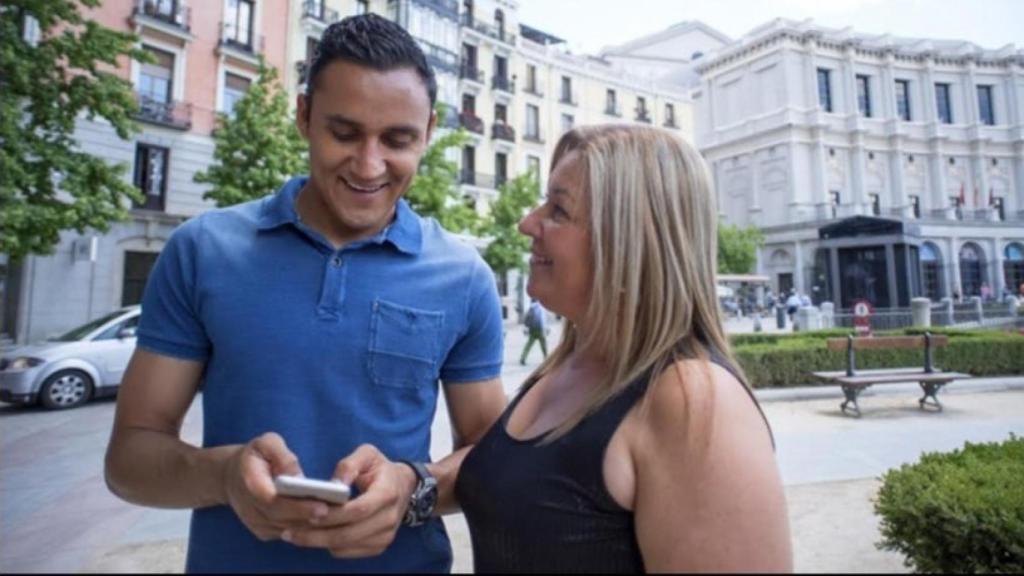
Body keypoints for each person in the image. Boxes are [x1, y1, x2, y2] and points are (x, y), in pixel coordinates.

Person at [104, 14, 507, 573]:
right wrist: (225, 475)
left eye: (397, 140)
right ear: (303, 116)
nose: (369, 165)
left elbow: (493, 464)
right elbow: (129, 459)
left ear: (429, 132)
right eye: (344, 133)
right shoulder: (202, 251)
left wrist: (413, 489)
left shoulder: (464, 277)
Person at [455, 126, 792, 572]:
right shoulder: (572, 364)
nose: (527, 223)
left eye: (559, 210)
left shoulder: (692, 402)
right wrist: (412, 486)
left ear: (629, 240)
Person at [520, 298, 549, 365]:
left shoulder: (531, 308)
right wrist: (545, 328)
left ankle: (523, 358)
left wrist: (526, 328)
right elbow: (542, 319)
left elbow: (527, 319)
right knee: (543, 345)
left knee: (528, 345)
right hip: (540, 329)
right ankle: (546, 358)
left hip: (532, 329)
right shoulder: (540, 308)